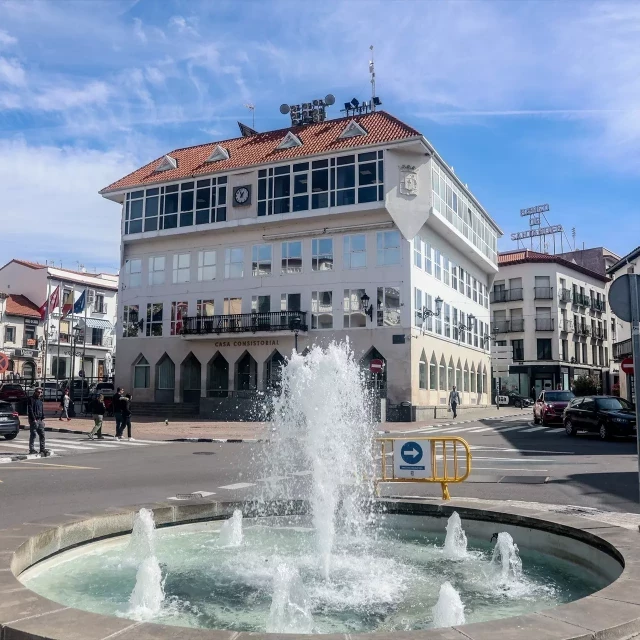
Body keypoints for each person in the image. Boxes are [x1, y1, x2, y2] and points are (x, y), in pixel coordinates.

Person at [27, 388, 47, 455]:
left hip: (40, 420)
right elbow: (30, 410)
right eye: (38, 392)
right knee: (33, 435)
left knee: (42, 435)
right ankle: (31, 449)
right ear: (35, 392)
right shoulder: (31, 399)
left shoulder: (40, 400)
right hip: (34, 420)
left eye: (41, 392)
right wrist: (33, 419)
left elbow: (42, 410)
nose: (40, 394)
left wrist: (43, 419)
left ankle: (42, 449)